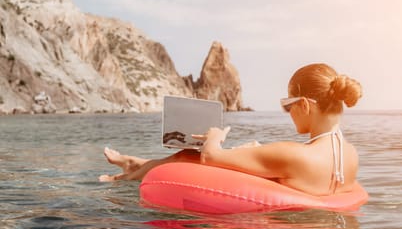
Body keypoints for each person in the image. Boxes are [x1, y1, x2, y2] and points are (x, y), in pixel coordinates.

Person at [101, 63, 362, 196]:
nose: (288, 112)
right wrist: (260, 153)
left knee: (188, 156)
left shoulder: (294, 154)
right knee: (192, 157)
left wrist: (216, 135)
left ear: (304, 105)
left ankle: (122, 179)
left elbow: (211, 156)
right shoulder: (350, 155)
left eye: (287, 105)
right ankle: (136, 165)